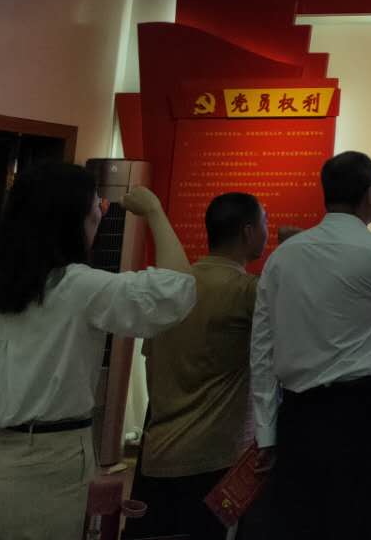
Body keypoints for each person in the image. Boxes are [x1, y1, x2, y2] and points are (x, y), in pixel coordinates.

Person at [0, 164, 196, 540]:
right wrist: (154, 210)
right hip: (47, 470)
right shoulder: (79, 287)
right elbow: (177, 291)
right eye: (97, 203)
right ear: (74, 217)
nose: (101, 210)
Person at [250, 150, 371, 540]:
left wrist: (266, 432)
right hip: (363, 415)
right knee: (364, 522)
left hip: (298, 416)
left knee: (302, 525)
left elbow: (262, 348)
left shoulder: (283, 257)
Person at [127, 192, 269, 540]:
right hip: (213, 460)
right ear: (248, 232)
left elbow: (151, 361)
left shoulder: (172, 289)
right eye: (264, 223)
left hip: (158, 455)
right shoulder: (248, 291)